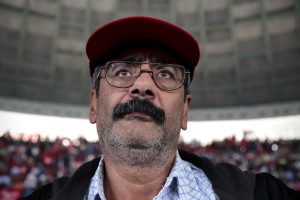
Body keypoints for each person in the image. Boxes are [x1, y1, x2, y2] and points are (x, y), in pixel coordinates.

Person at [21, 16, 299, 200]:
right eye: (121, 71)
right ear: (93, 104)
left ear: (185, 111)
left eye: (165, 73)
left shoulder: (264, 194)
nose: (143, 85)